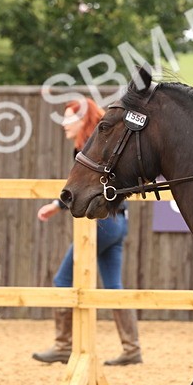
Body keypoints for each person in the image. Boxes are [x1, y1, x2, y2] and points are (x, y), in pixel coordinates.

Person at [32, 97, 142, 366]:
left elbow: (88, 189)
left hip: (102, 225)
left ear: (83, 121)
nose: (64, 124)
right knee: (114, 287)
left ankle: (63, 345)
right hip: (118, 222)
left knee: (62, 280)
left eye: (69, 118)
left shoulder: (88, 151)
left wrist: (58, 205)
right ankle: (131, 349)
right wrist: (58, 206)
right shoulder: (97, 147)